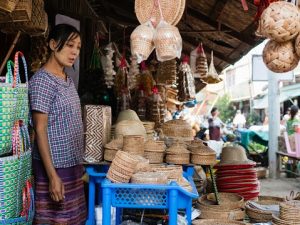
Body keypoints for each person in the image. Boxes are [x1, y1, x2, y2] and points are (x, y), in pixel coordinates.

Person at [29, 24, 86, 224]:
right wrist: (52, 176)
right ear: (53, 44)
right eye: (70, 45)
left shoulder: (67, 79)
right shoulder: (42, 81)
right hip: (54, 167)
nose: (74, 52)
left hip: (72, 166)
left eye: (78, 47)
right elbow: (40, 129)